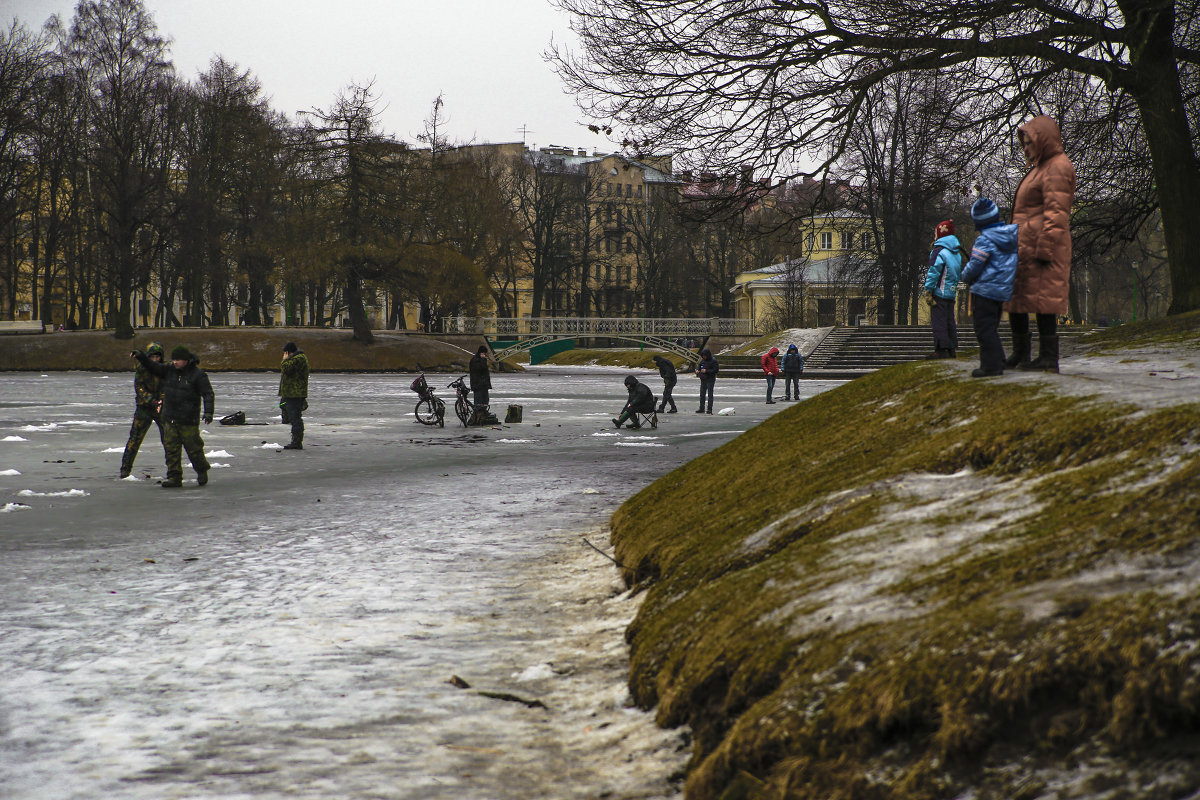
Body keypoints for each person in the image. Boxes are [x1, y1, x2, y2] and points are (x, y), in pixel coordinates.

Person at [1007, 114, 1076, 373]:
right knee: (1018, 299)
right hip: (1026, 247)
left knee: (1044, 301)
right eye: (1023, 144)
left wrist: (1045, 247)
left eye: (1029, 142)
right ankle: (1020, 353)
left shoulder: (1057, 166)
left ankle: (1048, 357)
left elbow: (1056, 211)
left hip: (1043, 247)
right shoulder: (1040, 168)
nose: (1026, 149)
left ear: (1042, 139)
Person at [131, 344, 214, 488]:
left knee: (194, 449)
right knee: (171, 450)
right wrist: (141, 356)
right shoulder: (169, 370)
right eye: (174, 359)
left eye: (178, 360)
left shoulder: (198, 375)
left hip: (188, 420)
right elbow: (152, 366)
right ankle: (174, 477)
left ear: (187, 360)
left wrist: (208, 412)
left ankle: (201, 470)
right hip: (169, 418)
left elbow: (208, 394)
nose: (175, 362)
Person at [961, 198, 1019, 377]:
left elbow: (975, 266)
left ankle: (991, 366)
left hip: (984, 290)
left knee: (983, 329)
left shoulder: (984, 240)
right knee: (991, 327)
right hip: (1001, 290)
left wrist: (965, 276)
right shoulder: (1009, 237)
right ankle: (999, 359)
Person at [119, 341, 166, 478]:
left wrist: (161, 400)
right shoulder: (141, 369)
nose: (155, 360)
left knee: (169, 440)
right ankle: (125, 469)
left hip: (161, 408)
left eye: (157, 357)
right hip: (144, 408)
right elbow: (139, 388)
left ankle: (173, 470)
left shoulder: (164, 369)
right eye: (152, 357)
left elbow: (167, 386)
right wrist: (152, 400)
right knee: (135, 439)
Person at [923, 219, 965, 359]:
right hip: (951, 293)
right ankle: (951, 348)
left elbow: (933, 271)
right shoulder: (956, 252)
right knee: (949, 320)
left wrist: (928, 289)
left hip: (939, 292)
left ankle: (941, 350)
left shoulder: (938, 251)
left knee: (938, 321)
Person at [279, 341, 309, 450]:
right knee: (284, 407)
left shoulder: (298, 359)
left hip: (295, 394)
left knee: (295, 418)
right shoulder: (296, 359)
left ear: (289, 352)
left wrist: (284, 360)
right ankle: (289, 424)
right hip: (290, 394)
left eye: (285, 353)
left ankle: (297, 442)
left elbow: (287, 369)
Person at [469, 344, 492, 412]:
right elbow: (479, 369)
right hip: (478, 385)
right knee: (479, 403)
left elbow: (485, 373)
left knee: (485, 401)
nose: (485, 355)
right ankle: (478, 416)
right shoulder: (475, 360)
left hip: (484, 385)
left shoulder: (482, 360)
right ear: (480, 353)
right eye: (484, 353)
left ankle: (483, 414)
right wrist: (483, 360)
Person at [696, 348, 718, 414]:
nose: (704, 357)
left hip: (710, 379)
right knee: (702, 394)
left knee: (710, 395)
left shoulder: (713, 361)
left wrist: (707, 371)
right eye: (703, 356)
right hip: (703, 379)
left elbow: (716, 370)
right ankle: (701, 408)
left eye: (705, 356)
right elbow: (699, 365)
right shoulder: (703, 360)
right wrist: (698, 369)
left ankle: (709, 409)